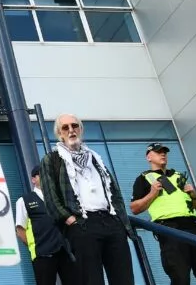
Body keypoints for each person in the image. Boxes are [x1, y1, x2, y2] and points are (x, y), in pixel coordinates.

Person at [40, 113, 133, 285]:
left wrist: (121, 220)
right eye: (65, 128)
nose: (71, 130)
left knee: (124, 279)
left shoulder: (95, 158)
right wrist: (71, 220)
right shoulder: (52, 160)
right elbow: (51, 199)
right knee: (91, 280)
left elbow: (114, 191)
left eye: (74, 126)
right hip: (82, 225)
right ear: (59, 134)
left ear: (81, 130)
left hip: (111, 222)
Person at [130, 143, 196, 285]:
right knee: (180, 277)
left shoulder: (178, 175)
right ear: (149, 157)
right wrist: (152, 193)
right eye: (158, 152)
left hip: (193, 229)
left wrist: (194, 195)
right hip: (170, 231)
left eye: (164, 152)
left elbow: (195, 207)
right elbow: (134, 208)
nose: (163, 154)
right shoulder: (144, 178)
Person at [15, 165, 75, 285]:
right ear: (33, 179)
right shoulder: (24, 200)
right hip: (42, 254)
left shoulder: (58, 198)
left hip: (64, 251)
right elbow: (20, 230)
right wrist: (36, 247)